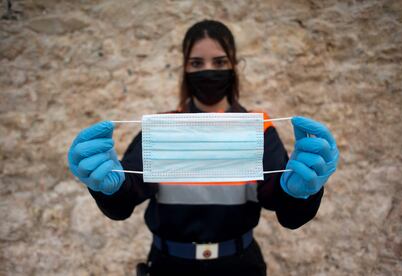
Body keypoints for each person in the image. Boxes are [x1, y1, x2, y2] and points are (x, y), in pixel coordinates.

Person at [67, 20, 339, 276]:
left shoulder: (259, 129)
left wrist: (302, 194)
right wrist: (106, 188)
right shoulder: (163, 129)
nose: (208, 71)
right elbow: (124, 202)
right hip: (169, 266)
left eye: (219, 62)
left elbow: (285, 210)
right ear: (185, 69)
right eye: (197, 63)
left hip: (239, 266)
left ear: (234, 66)